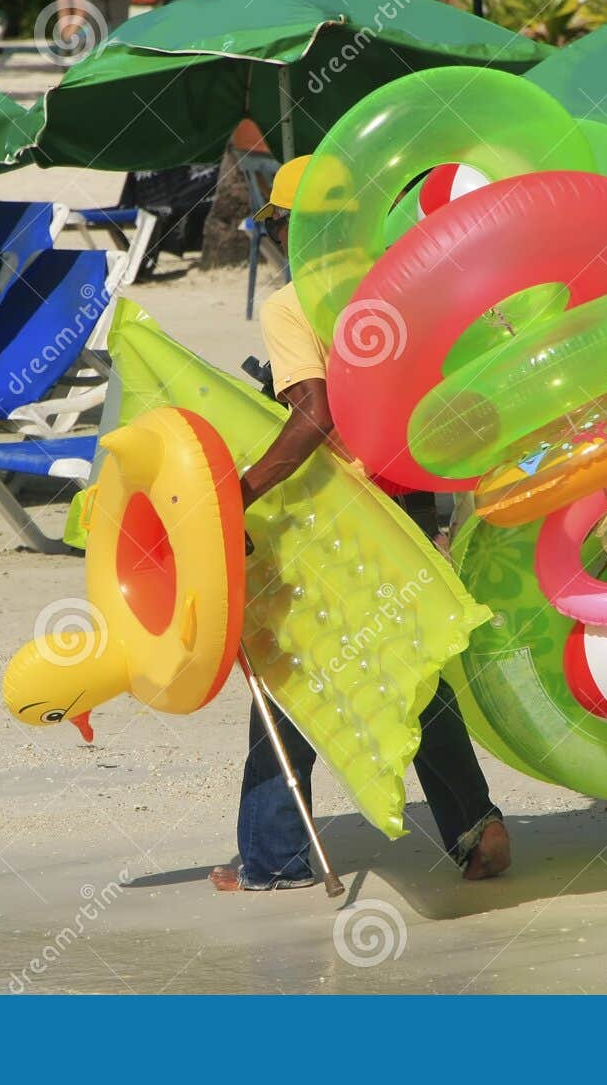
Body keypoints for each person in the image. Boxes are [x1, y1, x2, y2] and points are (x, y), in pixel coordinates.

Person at [209, 156, 513, 892]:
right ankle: (475, 826)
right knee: (409, 662)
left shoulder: (293, 303)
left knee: (291, 671)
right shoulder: (403, 282)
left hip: (333, 514)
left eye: (275, 225)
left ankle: (274, 857)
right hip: (408, 497)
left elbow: (315, 413)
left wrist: (239, 489)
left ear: (288, 226)